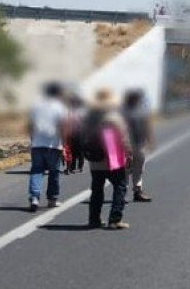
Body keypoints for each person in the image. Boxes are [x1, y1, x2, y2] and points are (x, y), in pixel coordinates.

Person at [83, 88, 132, 229]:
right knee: (120, 186)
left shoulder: (90, 118)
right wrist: (129, 153)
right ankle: (115, 219)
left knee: (97, 190)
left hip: (95, 160)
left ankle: (94, 219)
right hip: (112, 159)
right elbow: (124, 138)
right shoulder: (114, 118)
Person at [27, 83, 68, 212]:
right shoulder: (60, 108)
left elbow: (30, 125)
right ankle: (52, 199)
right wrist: (65, 144)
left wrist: (32, 140)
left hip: (37, 144)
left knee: (36, 171)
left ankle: (34, 197)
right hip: (53, 145)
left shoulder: (35, 106)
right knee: (54, 172)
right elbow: (63, 126)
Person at [122, 89, 154, 202]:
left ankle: (137, 191)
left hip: (140, 144)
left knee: (139, 168)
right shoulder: (123, 111)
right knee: (125, 169)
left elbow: (147, 127)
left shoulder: (142, 111)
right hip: (125, 145)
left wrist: (150, 141)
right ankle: (122, 193)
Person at [64, 94, 86, 174]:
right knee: (77, 151)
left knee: (74, 151)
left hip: (74, 133)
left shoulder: (72, 111)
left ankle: (74, 167)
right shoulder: (81, 111)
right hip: (78, 133)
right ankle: (77, 167)